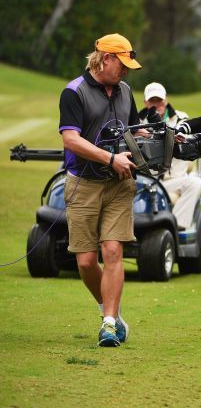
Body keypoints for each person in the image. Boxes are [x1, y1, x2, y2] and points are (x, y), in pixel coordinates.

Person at [59, 33, 142, 347]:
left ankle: (108, 324)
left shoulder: (125, 91)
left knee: (113, 251)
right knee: (85, 261)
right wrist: (110, 157)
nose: (125, 72)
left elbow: (135, 130)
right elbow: (71, 140)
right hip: (83, 184)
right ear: (105, 58)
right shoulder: (74, 92)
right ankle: (110, 309)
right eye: (121, 65)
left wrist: (166, 137)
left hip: (119, 184)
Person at [138, 82, 201, 230]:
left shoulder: (181, 119)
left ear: (166, 100)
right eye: (152, 101)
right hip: (146, 181)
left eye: (159, 101)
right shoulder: (137, 122)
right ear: (145, 103)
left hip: (174, 179)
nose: (156, 105)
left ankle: (175, 226)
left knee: (197, 183)